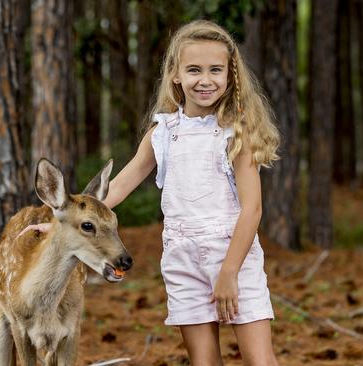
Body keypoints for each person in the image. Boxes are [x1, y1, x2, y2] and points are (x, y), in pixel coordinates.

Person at [20, 20, 280, 365]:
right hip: (182, 260)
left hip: (233, 255)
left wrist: (229, 272)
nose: (205, 79)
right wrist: (59, 224)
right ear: (175, 74)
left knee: (259, 360)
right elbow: (121, 184)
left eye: (216, 70)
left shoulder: (235, 134)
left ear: (230, 75)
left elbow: (253, 210)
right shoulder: (163, 132)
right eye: (194, 70)